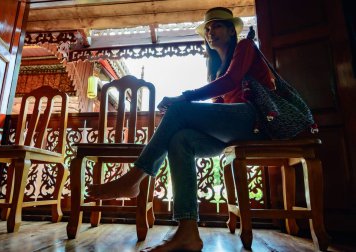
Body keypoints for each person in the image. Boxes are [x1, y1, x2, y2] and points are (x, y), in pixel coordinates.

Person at [87, 7, 274, 251]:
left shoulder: (245, 48)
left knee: (180, 109)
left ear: (231, 30)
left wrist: (183, 99)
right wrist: (183, 115)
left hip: (254, 122)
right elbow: (218, 104)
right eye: (207, 28)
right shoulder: (217, 69)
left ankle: (135, 178)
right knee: (180, 139)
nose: (210, 32)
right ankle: (188, 232)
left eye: (216, 26)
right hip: (231, 130)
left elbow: (231, 82)